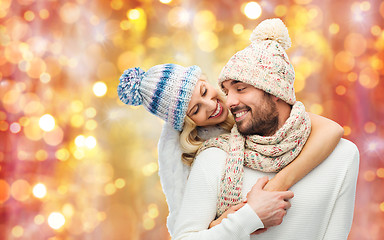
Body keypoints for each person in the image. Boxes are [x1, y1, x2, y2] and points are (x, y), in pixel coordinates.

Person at [172, 18, 359, 239]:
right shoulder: (214, 158)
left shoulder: (343, 156)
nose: (229, 101)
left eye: (240, 88)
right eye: (226, 90)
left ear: (274, 90)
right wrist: (248, 217)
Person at [117, 64, 343, 235]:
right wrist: (242, 216)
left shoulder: (250, 107)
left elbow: (331, 130)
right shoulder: (206, 156)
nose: (212, 105)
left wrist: (274, 188)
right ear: (188, 123)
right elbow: (193, 230)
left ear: (205, 80)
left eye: (204, 92)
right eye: (196, 109)